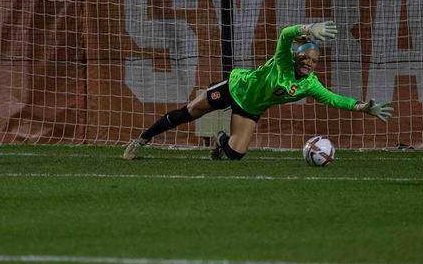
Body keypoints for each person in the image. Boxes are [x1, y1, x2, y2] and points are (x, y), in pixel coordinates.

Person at [123, 21, 393, 161]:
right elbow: (287, 34)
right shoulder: (284, 60)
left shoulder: (310, 84)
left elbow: (335, 100)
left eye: (314, 61)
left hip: (250, 109)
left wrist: (361, 107)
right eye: (306, 57)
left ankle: (220, 141)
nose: (309, 63)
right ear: (297, 57)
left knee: (235, 155)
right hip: (235, 86)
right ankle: (142, 139)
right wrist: (308, 28)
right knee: (191, 112)